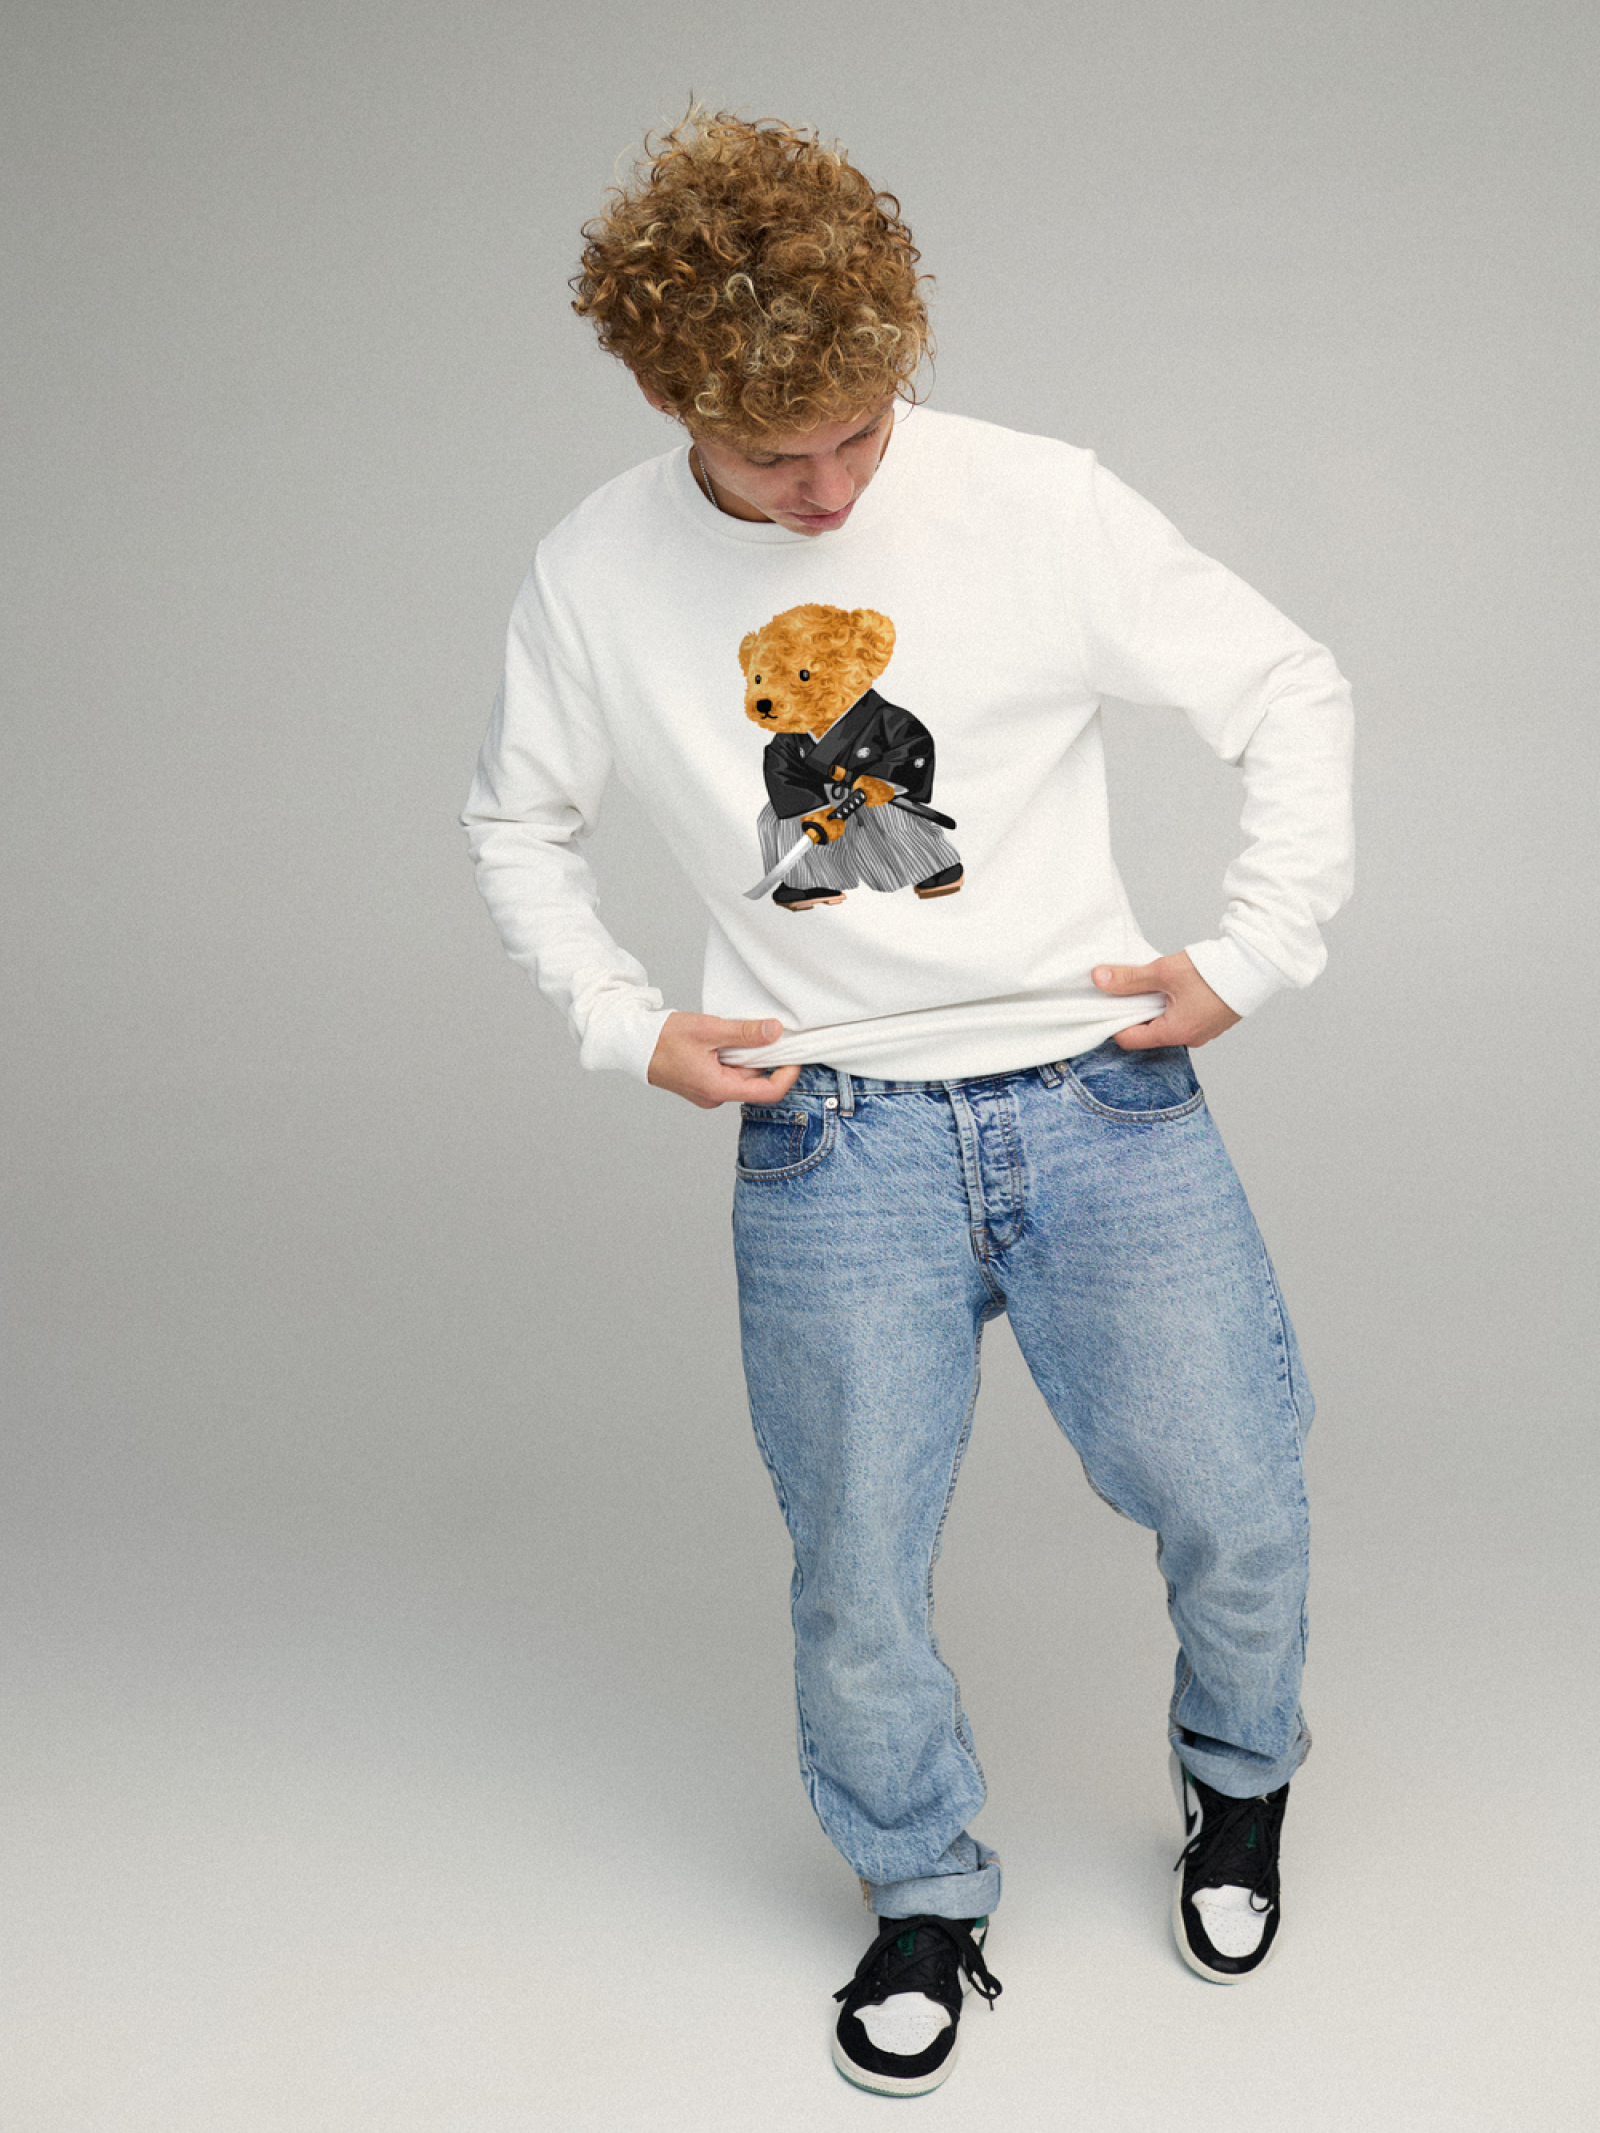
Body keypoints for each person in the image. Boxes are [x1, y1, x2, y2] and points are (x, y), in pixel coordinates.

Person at [463, 108, 1352, 2098]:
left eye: (863, 434)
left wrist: (1256, 942)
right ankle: (922, 1891)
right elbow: (516, 819)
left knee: (1232, 1488)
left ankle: (1238, 1782)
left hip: (1101, 1096)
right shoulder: (595, 569)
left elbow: (1285, 683)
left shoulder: (1035, 499)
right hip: (832, 1134)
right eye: (780, 458)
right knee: (855, 1559)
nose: (834, 489)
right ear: (667, 396)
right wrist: (623, 1020)